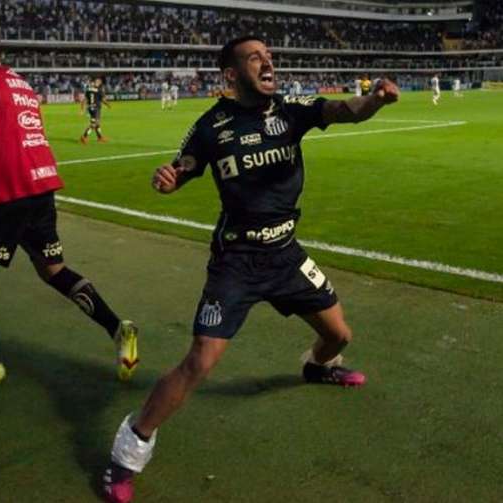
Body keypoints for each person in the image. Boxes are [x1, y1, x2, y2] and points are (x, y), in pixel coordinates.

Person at [101, 35, 400, 503]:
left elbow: (346, 110)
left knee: (339, 337)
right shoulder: (211, 126)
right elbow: (183, 168)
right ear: (231, 74)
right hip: (237, 263)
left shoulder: (292, 109)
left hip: (286, 254)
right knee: (201, 358)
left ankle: (317, 368)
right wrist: (168, 177)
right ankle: (127, 452)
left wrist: (376, 102)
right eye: (254, 57)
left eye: (268, 55)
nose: (267, 61)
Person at [0, 18, 139, 384]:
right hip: (40, 186)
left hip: (5, 191)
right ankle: (117, 327)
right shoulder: (22, 84)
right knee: (53, 269)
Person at [80, 77, 109, 143]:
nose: (99, 83)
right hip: (96, 109)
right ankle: (84, 136)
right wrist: (108, 105)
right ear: (98, 83)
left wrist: (82, 109)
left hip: (90, 108)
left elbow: (84, 100)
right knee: (93, 124)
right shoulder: (99, 90)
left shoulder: (88, 90)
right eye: (98, 82)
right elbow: (103, 100)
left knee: (97, 123)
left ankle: (100, 137)